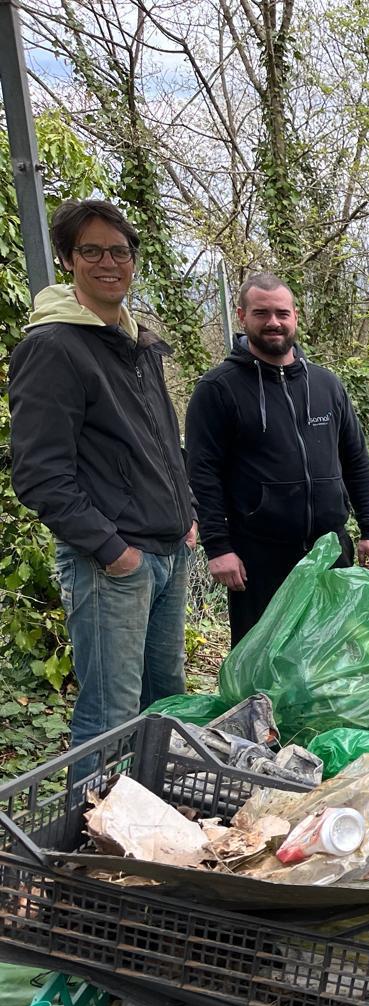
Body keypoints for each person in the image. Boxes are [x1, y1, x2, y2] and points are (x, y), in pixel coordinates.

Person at [8, 199, 196, 745]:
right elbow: (40, 473)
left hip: (169, 551)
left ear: (134, 260)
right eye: (91, 251)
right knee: (109, 718)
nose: (109, 263)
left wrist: (186, 513)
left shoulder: (138, 343)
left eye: (119, 251)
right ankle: (95, 805)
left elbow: (162, 441)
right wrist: (113, 551)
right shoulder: (52, 347)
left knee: (165, 705)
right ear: (68, 259)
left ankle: (155, 801)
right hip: (111, 564)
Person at [187, 272, 369, 645]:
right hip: (258, 558)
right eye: (261, 313)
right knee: (264, 660)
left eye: (282, 313)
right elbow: (203, 474)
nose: (273, 322)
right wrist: (219, 547)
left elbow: (357, 460)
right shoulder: (217, 389)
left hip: (330, 552)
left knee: (333, 657)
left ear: (295, 316)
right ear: (242, 316)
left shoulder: (326, 385)